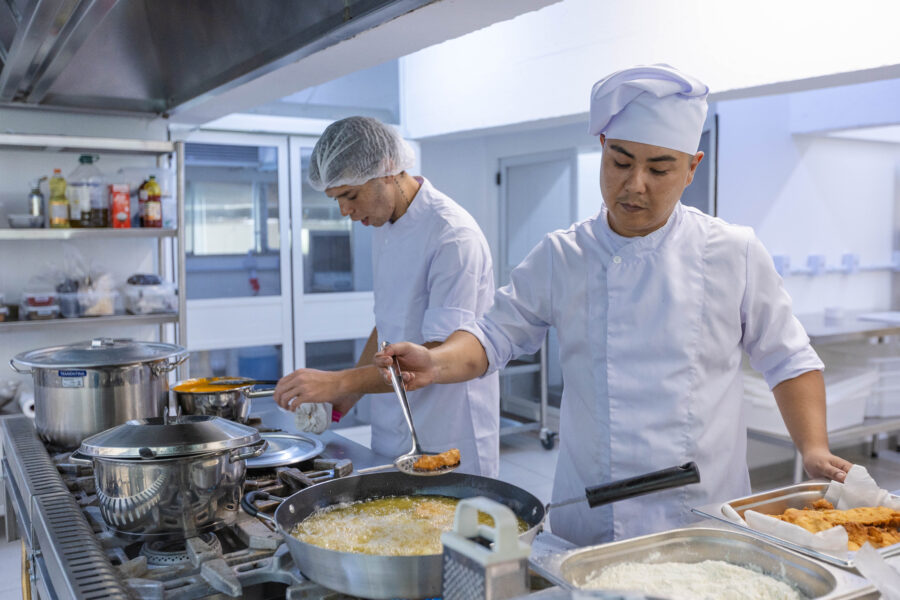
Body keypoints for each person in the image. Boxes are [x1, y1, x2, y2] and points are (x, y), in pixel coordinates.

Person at [374, 65, 852, 546]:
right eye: (621, 162)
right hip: (592, 510)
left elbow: (789, 357)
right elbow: (492, 336)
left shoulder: (733, 252)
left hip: (700, 510)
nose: (635, 184)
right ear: (602, 148)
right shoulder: (564, 255)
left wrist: (813, 447)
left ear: (691, 168)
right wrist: (435, 361)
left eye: (659, 169)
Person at [273, 116, 500, 477]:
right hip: (391, 429)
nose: (345, 211)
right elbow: (388, 327)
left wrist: (338, 381)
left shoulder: (452, 236)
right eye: (336, 199)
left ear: (387, 169)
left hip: (447, 434)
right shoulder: (385, 225)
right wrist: (342, 399)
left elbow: (434, 359)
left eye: (350, 195)